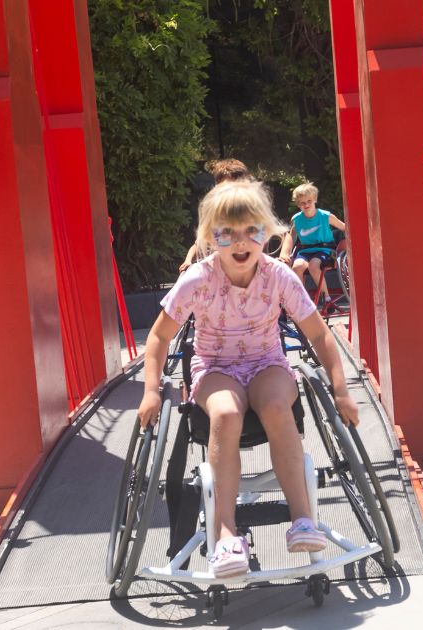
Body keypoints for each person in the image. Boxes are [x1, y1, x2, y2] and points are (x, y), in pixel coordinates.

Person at [136, 180, 361, 578]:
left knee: (277, 406)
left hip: (266, 363)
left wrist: (340, 390)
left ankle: (302, 518)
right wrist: (151, 391)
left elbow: (319, 334)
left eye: (251, 232)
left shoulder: (279, 277)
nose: (241, 243)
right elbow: (158, 336)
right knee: (224, 414)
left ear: (267, 233)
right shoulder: (198, 280)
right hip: (215, 368)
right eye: (227, 234)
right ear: (210, 238)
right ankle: (225, 532)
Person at [179, 159, 253, 273]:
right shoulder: (213, 212)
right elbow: (198, 242)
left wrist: (284, 253)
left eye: (236, 185)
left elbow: (282, 234)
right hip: (216, 271)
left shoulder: (252, 210)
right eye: (227, 187)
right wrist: (188, 260)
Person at [278, 182, 347, 290]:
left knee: (313, 266)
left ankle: (326, 298)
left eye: (309, 201)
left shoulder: (326, 216)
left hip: (325, 249)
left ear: (315, 199)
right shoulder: (296, 219)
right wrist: (285, 253)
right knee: (297, 267)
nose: (306, 204)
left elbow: (345, 228)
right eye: (302, 203)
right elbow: (291, 235)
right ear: (298, 204)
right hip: (305, 250)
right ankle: (301, 299)